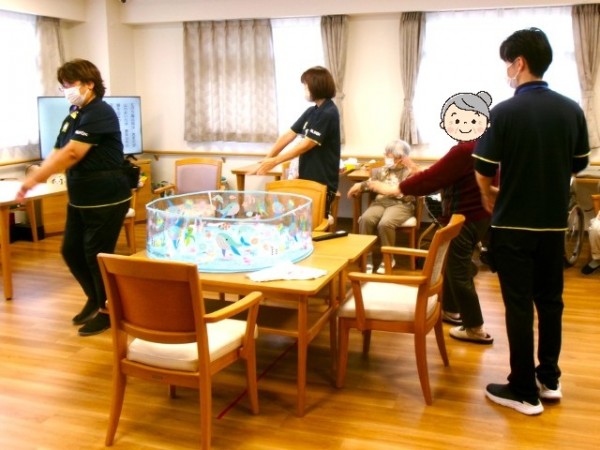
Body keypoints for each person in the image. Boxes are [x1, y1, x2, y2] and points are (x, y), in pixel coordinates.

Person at [473, 28, 590, 415]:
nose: (508, 70)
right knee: (551, 303)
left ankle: (523, 390)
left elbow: (483, 169)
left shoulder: (502, 112)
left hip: (513, 227)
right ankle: (549, 379)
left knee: (519, 306)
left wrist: (489, 194)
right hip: (553, 226)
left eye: (509, 63)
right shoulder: (571, 109)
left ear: (519, 63)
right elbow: (578, 165)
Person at [16, 59, 131, 337]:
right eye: (63, 85)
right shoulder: (75, 113)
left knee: (96, 255)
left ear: (89, 84)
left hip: (106, 196)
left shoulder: (100, 111)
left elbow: (72, 153)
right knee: (71, 251)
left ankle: (108, 310)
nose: (66, 90)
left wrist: (34, 179)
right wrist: (40, 173)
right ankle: (95, 297)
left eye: (70, 84)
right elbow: (59, 150)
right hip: (81, 197)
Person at [378, 91, 495, 345]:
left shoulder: (464, 150)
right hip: (479, 215)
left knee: (459, 271)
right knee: (453, 265)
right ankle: (451, 310)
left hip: (466, 216)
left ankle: (475, 327)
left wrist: (397, 189)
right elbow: (443, 175)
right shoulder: (482, 145)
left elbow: (435, 178)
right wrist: (415, 171)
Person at [254, 66, 341, 216]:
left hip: (322, 181)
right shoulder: (312, 111)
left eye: (306, 86)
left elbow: (306, 144)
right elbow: (289, 134)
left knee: (315, 223)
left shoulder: (329, 112)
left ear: (316, 86)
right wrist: (267, 158)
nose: (304, 90)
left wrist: (275, 161)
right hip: (307, 178)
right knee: (302, 221)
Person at [347, 139, 418, 273]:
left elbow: (409, 193)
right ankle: (366, 257)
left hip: (401, 205)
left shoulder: (410, 172)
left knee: (385, 223)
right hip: (380, 202)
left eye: (388, 154)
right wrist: (359, 186)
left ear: (399, 158)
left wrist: (387, 189)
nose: (385, 156)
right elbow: (370, 183)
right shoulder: (382, 170)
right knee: (366, 219)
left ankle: (388, 258)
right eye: (386, 153)